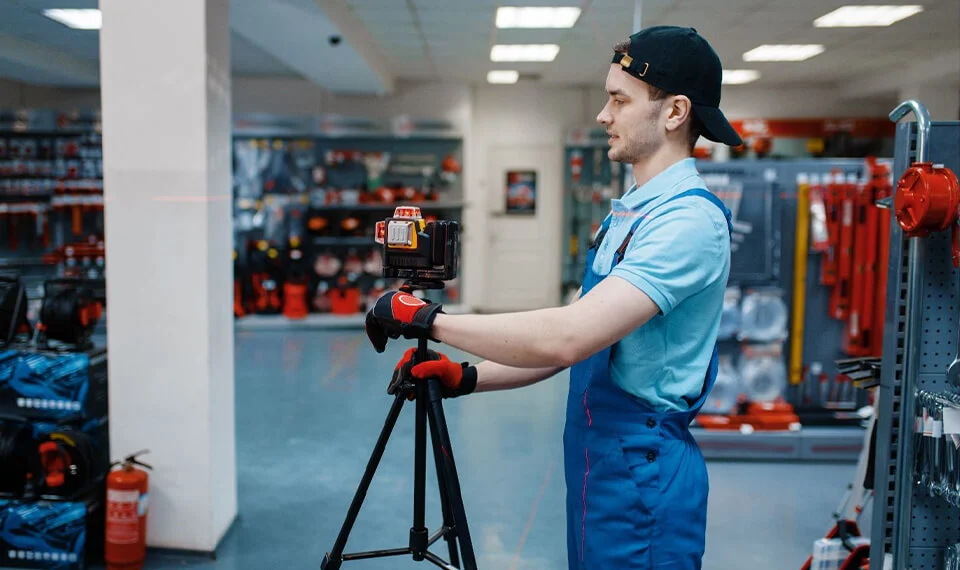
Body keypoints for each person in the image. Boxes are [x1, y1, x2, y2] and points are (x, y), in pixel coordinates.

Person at [364, 25, 744, 570]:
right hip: (601, 462)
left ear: (675, 112)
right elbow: (582, 338)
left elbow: (568, 338)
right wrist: (469, 376)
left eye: (618, 99)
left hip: (643, 472)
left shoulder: (688, 221)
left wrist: (426, 318)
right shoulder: (635, 211)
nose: (603, 115)